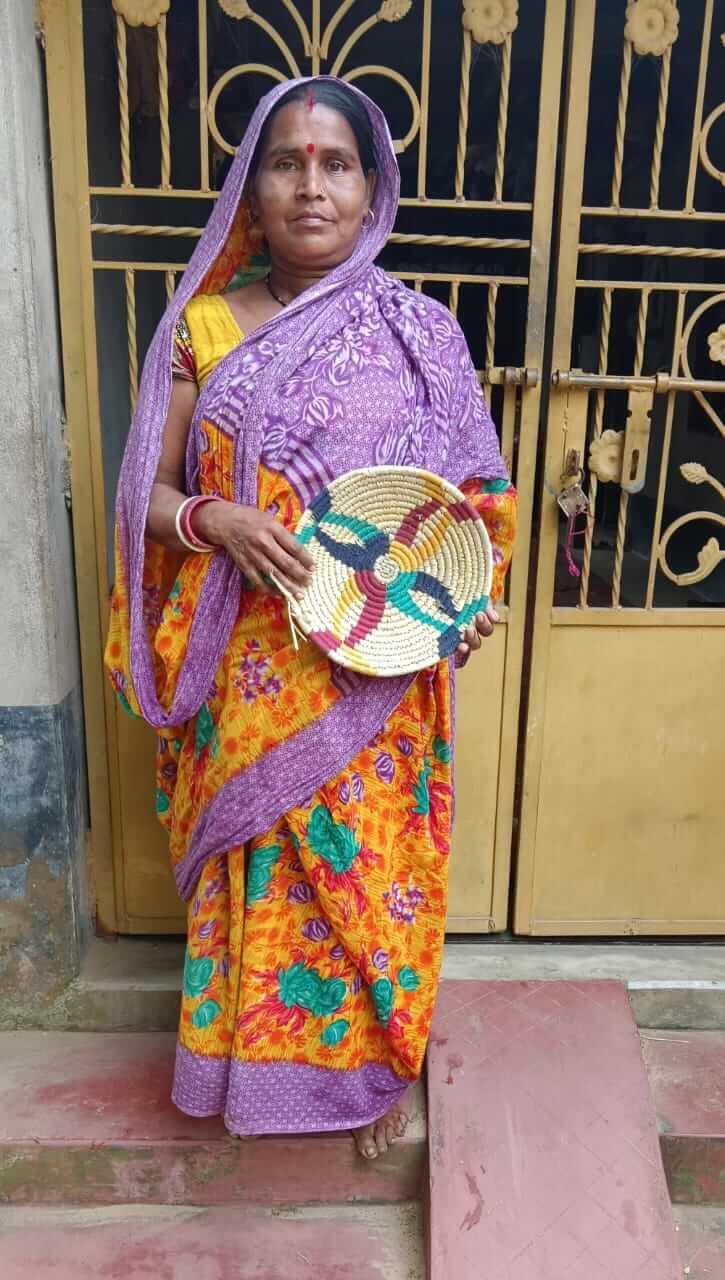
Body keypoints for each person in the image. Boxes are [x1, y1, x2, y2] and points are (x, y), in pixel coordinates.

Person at [105, 76, 517, 1160]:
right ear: (254, 183)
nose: (309, 186)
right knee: (264, 873)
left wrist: (464, 606)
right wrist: (215, 517)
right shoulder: (200, 326)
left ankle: (374, 1073)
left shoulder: (422, 332)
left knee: (367, 877)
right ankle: (252, 1075)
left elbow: (475, 500)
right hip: (245, 667)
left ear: (370, 187)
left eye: (335, 164)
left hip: (379, 671)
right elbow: (135, 497)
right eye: (286, 161)